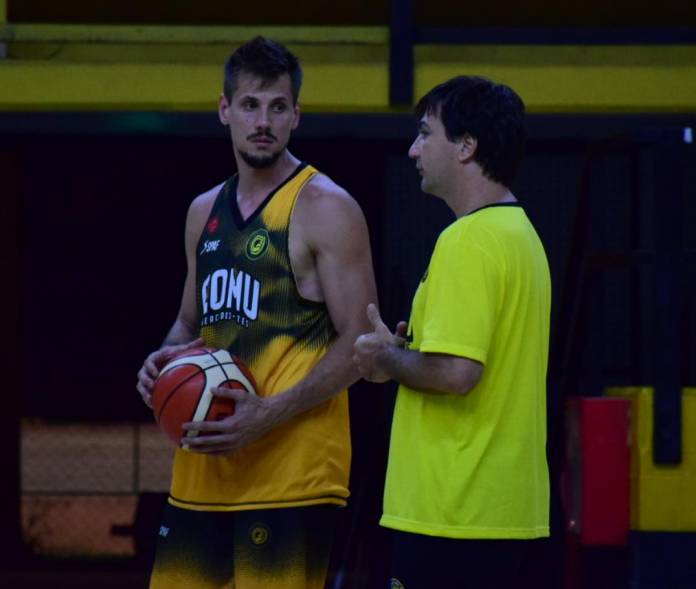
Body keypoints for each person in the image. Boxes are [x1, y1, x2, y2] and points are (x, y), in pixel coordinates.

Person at [136, 36, 377, 589]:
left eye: (277, 106)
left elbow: (361, 342)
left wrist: (269, 412)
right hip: (202, 474)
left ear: (296, 115)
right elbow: (189, 324)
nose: (263, 121)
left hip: (291, 478)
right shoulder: (203, 211)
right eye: (249, 105)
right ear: (225, 110)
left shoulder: (327, 208)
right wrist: (163, 360)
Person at [353, 75, 551, 588]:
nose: (413, 149)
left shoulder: (468, 241)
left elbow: (457, 373)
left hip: (453, 514)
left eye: (425, 133)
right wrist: (407, 353)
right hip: (503, 513)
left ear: (466, 146)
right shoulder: (521, 235)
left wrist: (384, 358)